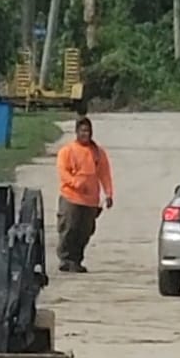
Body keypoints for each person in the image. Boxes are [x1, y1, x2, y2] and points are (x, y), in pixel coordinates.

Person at [56, 115, 114, 272]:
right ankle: (65, 259)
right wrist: (75, 183)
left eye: (87, 131)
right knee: (69, 229)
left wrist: (108, 194)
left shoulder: (97, 153)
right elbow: (63, 171)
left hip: (90, 201)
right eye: (82, 131)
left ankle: (76, 260)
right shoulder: (67, 151)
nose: (85, 134)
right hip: (71, 198)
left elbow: (104, 174)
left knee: (85, 232)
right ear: (76, 132)